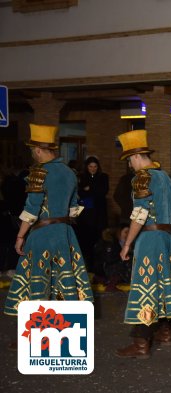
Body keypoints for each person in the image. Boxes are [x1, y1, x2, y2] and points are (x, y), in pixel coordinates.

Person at [4, 124, 93, 323]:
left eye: (32, 151)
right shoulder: (70, 173)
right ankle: (63, 327)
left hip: (42, 234)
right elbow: (73, 209)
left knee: (39, 281)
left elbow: (32, 208)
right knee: (62, 280)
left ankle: (37, 334)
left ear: (37, 150)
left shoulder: (39, 173)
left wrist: (20, 236)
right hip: (65, 233)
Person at [115, 129, 171, 359]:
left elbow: (139, 214)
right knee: (164, 284)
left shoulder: (142, 178)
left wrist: (127, 243)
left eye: (129, 160)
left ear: (136, 156)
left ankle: (141, 343)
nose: (129, 165)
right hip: (168, 238)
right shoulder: (165, 177)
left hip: (150, 238)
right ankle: (165, 332)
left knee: (144, 287)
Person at [77, 156, 109, 276]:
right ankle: (87, 268)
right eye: (90, 166)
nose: (93, 169)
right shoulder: (82, 177)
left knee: (99, 242)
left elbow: (103, 191)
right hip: (85, 217)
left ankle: (99, 269)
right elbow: (80, 192)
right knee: (86, 243)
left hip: (99, 216)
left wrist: (89, 189)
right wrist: (90, 190)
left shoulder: (103, 177)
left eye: (95, 166)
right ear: (86, 167)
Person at [93, 224, 132, 292]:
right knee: (123, 264)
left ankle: (104, 280)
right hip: (109, 267)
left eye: (129, 232)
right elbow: (108, 259)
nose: (127, 234)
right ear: (120, 233)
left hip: (121, 268)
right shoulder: (112, 243)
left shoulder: (130, 244)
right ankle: (111, 285)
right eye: (125, 232)